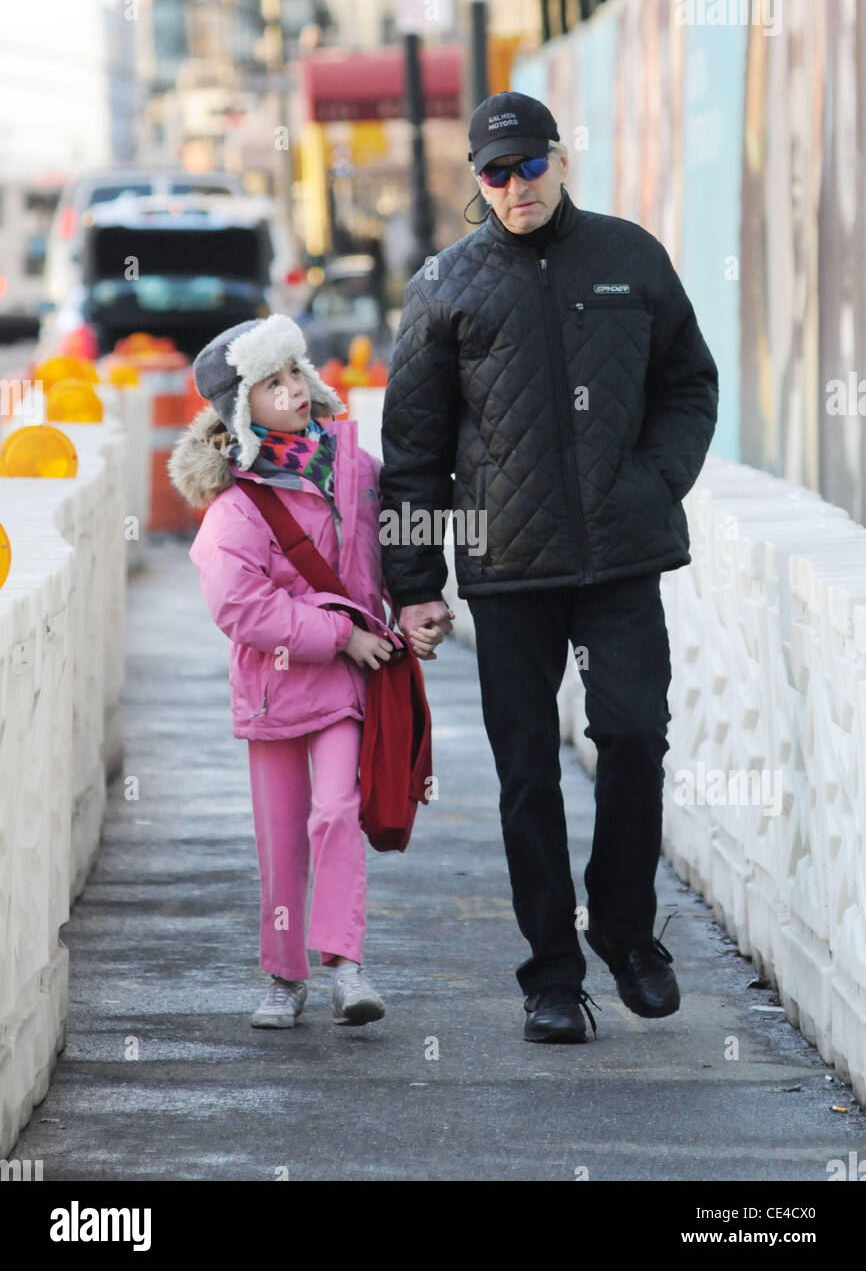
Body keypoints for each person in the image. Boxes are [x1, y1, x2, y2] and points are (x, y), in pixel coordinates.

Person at [380, 91, 719, 1044]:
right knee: (526, 772)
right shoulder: (445, 286)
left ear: (560, 162)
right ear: (476, 185)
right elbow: (410, 450)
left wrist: (654, 482)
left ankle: (622, 928)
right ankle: (552, 975)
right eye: (496, 173)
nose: (516, 186)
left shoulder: (629, 257)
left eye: (531, 166)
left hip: (621, 557)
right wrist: (414, 583)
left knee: (634, 737)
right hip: (506, 569)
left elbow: (688, 382)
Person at [168, 315, 430, 1030]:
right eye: (269, 382)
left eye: (293, 373)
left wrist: (410, 610)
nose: (290, 390)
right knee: (280, 834)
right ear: (237, 406)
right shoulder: (236, 502)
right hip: (273, 689)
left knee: (336, 811)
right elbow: (238, 603)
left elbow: (388, 550)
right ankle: (284, 978)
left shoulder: (351, 468)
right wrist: (339, 634)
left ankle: (346, 965)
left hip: (346, 684)